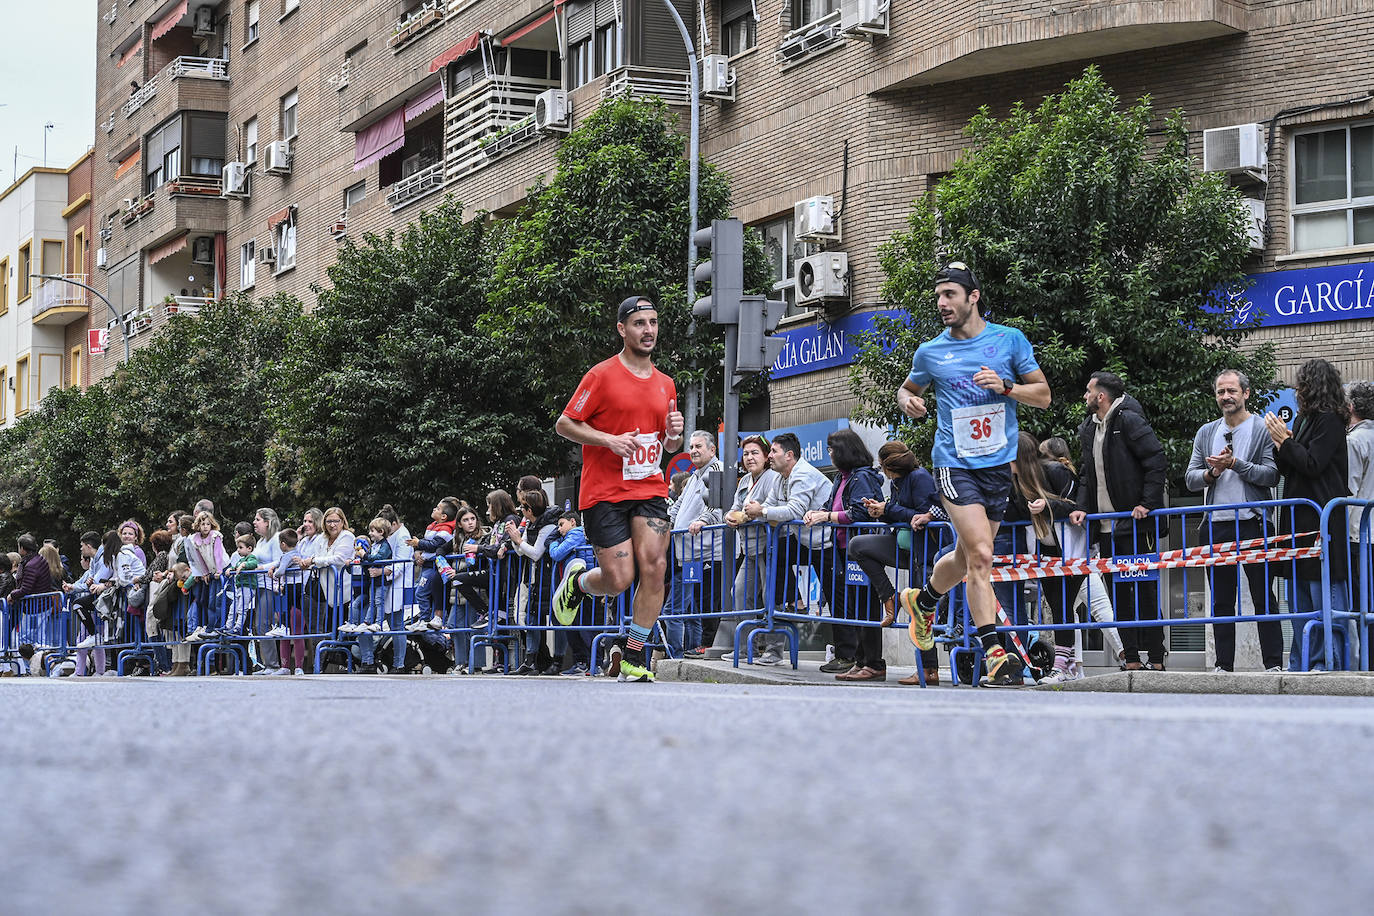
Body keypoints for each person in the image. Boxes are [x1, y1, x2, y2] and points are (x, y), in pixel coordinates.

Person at [895, 261, 1051, 687]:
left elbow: (1043, 396)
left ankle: (923, 601)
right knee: (982, 555)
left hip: (997, 466)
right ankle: (996, 654)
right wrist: (906, 399)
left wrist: (1006, 387)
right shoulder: (931, 352)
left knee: (966, 557)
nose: (942, 303)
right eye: (939, 295)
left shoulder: (1009, 341)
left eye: (950, 294)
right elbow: (909, 388)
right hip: (954, 462)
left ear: (973, 297)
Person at [551, 294, 684, 683]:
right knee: (620, 578)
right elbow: (565, 424)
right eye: (640, 323)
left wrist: (674, 437)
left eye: (653, 323)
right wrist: (609, 440)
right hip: (605, 492)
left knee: (655, 567)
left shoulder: (665, 384)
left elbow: (668, 445)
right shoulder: (601, 375)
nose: (648, 331)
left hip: (648, 487)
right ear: (622, 329)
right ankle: (577, 582)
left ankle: (634, 654)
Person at [1184, 369, 1283, 673]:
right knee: (1222, 601)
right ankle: (1223, 665)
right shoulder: (1206, 432)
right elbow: (1189, 479)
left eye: (1231, 391)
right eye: (1220, 392)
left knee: (1263, 596)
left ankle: (1274, 665)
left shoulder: (1261, 429)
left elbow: (1271, 475)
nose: (1225, 397)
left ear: (1246, 394)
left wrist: (1236, 464)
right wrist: (1212, 473)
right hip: (1216, 525)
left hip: (1253, 521)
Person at [1069, 371, 1168, 671]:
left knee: (1145, 590)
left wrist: (1146, 504)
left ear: (1101, 396)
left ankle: (1156, 656)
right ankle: (1133, 659)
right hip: (1106, 527)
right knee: (1120, 595)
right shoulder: (1089, 427)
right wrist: (1082, 507)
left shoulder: (1128, 420)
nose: (1084, 397)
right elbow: (1087, 474)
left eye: (1088, 391)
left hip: (1135, 524)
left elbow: (1156, 460)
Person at [1265, 357, 1351, 670]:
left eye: (1301, 383)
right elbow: (1290, 467)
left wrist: (1286, 441)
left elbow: (1314, 463)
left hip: (1321, 520)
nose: (1296, 389)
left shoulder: (1329, 419)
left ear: (1313, 385)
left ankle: (1328, 661)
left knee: (1323, 594)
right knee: (1297, 598)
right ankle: (1300, 661)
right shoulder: (1302, 420)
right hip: (1298, 520)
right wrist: (1280, 443)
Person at [847, 440, 941, 684]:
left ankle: (929, 669)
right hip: (901, 546)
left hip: (923, 552)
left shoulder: (920, 478)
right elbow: (900, 515)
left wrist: (888, 509)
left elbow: (922, 515)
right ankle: (889, 597)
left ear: (888, 466)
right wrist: (881, 511)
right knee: (858, 545)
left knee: (921, 610)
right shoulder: (896, 481)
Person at [739, 432, 832, 666]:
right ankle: (787, 608)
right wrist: (757, 511)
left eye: (773, 451)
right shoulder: (782, 477)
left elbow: (793, 511)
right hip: (802, 540)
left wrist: (760, 512)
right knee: (773, 576)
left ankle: (846, 653)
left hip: (826, 542)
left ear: (789, 455)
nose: (770, 456)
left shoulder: (802, 475)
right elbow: (770, 505)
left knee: (834, 596)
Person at [1002, 431, 1081, 683]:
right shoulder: (1015, 481)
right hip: (1045, 549)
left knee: (1063, 605)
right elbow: (1013, 514)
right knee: (1057, 604)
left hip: (1073, 549)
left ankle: (1060, 666)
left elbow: (1078, 505)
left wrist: (1047, 505)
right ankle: (1067, 665)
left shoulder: (1055, 471)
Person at [1039, 436, 1124, 666]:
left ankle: (1119, 655)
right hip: (1073, 554)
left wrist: (1046, 505)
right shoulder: (1066, 474)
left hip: (1072, 554)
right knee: (1073, 612)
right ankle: (1075, 664)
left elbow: (1073, 506)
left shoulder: (1059, 474)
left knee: (1077, 611)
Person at [721, 435, 781, 656]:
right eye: (746, 453)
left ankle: (775, 650)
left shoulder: (773, 477)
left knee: (770, 597)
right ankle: (748, 648)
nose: (749, 457)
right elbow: (736, 507)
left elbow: (772, 506)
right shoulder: (745, 480)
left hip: (769, 547)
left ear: (766, 457)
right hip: (749, 548)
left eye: (755, 453)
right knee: (739, 592)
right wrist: (729, 516)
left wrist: (746, 516)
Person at [666, 430, 725, 657]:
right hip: (691, 553)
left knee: (710, 601)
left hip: (711, 552)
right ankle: (698, 646)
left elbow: (717, 505)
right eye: (691, 447)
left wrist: (703, 519)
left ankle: (708, 645)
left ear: (712, 449)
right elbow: (678, 505)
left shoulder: (717, 470)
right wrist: (666, 523)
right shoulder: (695, 475)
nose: (693, 451)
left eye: (698, 446)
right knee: (697, 604)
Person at [507, 487, 563, 674]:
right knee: (532, 618)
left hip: (550, 577)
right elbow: (522, 551)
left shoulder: (547, 525)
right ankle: (531, 660)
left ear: (529, 510)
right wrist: (517, 540)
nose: (520, 511)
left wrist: (518, 540)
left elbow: (536, 553)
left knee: (557, 619)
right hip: (534, 578)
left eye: (523, 507)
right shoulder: (530, 524)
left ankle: (558, 661)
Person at [548, 511, 594, 675]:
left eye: (561, 525)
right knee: (572, 626)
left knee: (582, 626)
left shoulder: (576, 534)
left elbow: (556, 553)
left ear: (573, 522)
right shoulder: (568, 537)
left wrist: (552, 542)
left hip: (580, 589)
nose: (559, 529)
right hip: (572, 588)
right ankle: (582, 661)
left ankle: (589, 662)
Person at [1345, 381, 1374, 623]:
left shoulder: (1355, 441)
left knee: (1362, 605)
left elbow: (1349, 489)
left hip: (1359, 534)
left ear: (1351, 406)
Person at [408, 498, 459, 630]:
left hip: (432, 567)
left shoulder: (446, 529)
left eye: (437, 508)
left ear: (444, 516)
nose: (433, 509)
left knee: (421, 593)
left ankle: (424, 619)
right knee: (421, 593)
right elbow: (427, 545)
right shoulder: (434, 526)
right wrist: (419, 552)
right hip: (426, 566)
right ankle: (424, 619)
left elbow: (435, 545)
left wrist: (418, 543)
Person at [184, 512, 228, 643]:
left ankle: (217, 627)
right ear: (198, 525)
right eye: (202, 524)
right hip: (211, 571)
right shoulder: (195, 539)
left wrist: (219, 570)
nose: (205, 527)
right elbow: (199, 558)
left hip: (221, 569)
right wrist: (204, 572)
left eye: (208, 524)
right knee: (210, 600)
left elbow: (217, 554)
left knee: (219, 599)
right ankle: (210, 628)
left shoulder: (215, 536)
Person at [222, 534, 260, 635]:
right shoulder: (240, 560)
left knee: (242, 608)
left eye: (240, 547)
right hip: (239, 588)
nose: (238, 550)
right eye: (237, 547)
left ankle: (238, 627)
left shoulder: (251, 557)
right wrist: (231, 569)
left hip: (247, 587)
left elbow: (253, 564)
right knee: (232, 608)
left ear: (249, 548)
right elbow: (236, 567)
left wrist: (244, 565)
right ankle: (228, 626)